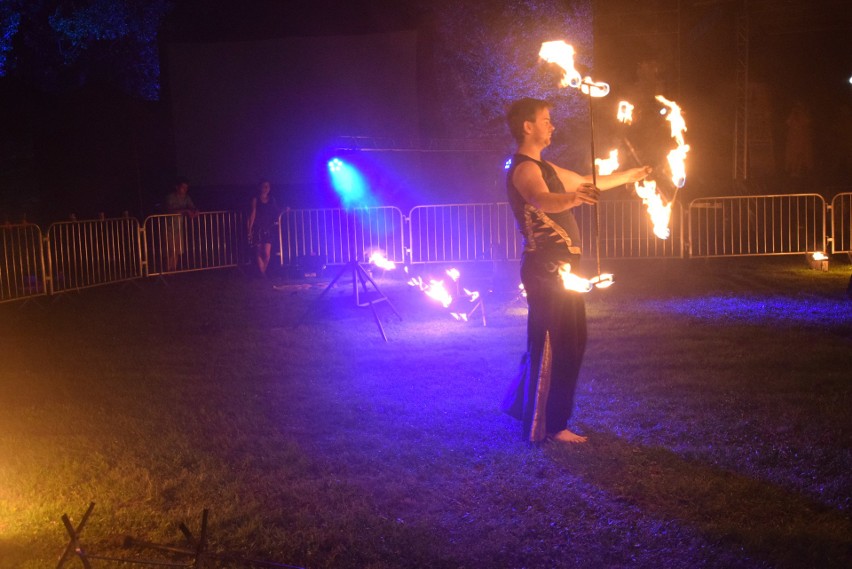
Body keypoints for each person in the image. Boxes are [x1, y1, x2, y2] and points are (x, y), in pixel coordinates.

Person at [501, 97, 651, 444]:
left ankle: (524, 408)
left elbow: (586, 179)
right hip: (547, 269)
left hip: (563, 269)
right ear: (528, 126)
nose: (551, 125)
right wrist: (576, 198)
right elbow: (542, 200)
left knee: (565, 340)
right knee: (558, 343)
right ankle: (550, 425)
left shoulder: (547, 167)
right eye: (546, 119)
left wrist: (633, 174)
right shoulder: (525, 169)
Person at [246, 179, 280, 277]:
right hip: (258, 227)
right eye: (264, 186)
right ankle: (262, 274)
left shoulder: (272, 199)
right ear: (259, 187)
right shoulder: (255, 199)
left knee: (266, 253)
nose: (265, 189)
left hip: (268, 227)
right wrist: (250, 228)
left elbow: (276, 211)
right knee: (258, 251)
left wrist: (284, 210)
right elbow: (253, 213)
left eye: (267, 186)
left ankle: (262, 272)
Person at [164, 177, 198, 272]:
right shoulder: (170, 197)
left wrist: (195, 210)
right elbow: (170, 210)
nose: (185, 189)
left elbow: (192, 206)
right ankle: (168, 270)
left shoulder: (186, 197)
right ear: (177, 187)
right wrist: (186, 210)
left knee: (177, 249)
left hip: (179, 227)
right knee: (171, 249)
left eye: (186, 187)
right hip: (169, 226)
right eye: (183, 187)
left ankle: (174, 269)